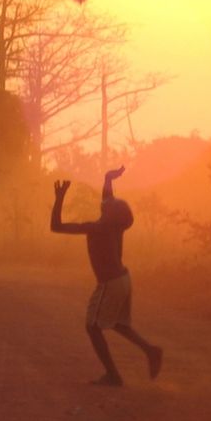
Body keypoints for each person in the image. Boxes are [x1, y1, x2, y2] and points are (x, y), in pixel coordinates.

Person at [51, 165, 163, 387]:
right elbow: (108, 200)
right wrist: (107, 179)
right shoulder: (115, 226)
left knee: (93, 327)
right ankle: (150, 350)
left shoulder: (97, 228)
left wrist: (60, 197)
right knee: (119, 324)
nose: (104, 204)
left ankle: (113, 375)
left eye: (107, 206)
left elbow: (56, 226)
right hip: (123, 279)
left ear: (109, 213)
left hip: (110, 283)